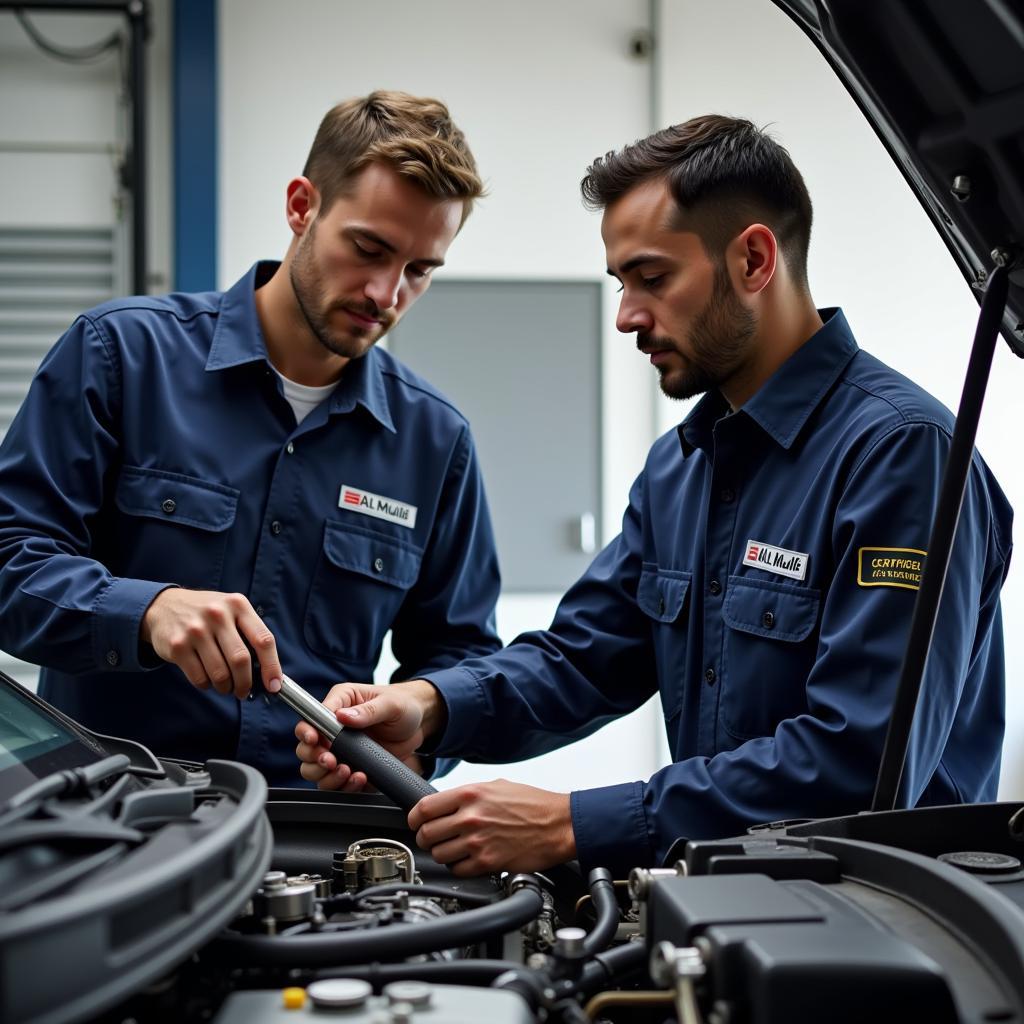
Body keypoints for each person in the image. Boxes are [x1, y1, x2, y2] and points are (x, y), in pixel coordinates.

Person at [295, 114, 1013, 877]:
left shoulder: (901, 453)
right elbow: (579, 659)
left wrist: (574, 824)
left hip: (888, 929)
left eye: (652, 277)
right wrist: (431, 708)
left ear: (754, 259)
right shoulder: (681, 468)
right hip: (729, 909)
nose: (627, 316)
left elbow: (861, 762)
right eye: (621, 283)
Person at [0, 91, 502, 785]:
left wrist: (413, 731)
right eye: (369, 248)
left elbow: (460, 654)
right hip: (112, 825)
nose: (387, 294)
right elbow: (10, 566)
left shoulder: (435, 440)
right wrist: (145, 611)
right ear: (302, 206)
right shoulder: (119, 357)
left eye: (419, 270)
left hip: (321, 841)